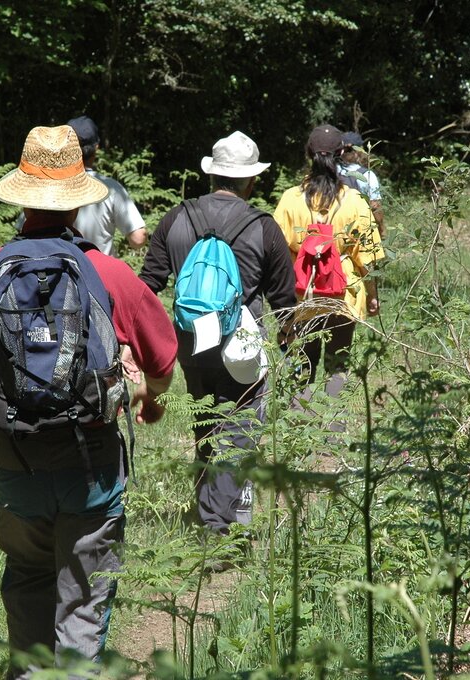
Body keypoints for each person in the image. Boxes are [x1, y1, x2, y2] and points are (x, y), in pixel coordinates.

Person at [0, 125, 177, 676]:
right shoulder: (108, 273)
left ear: (21, 198)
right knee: (84, 601)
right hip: (91, 467)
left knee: (28, 582)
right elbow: (163, 360)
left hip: (15, 465)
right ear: (78, 204)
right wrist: (149, 398)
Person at [139, 130, 296, 535]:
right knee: (240, 429)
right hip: (241, 345)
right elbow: (285, 301)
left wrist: (145, 346)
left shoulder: (177, 218)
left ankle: (208, 506)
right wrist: (289, 346)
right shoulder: (263, 227)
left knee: (205, 419)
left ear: (211, 175)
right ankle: (217, 525)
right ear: (252, 180)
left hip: (190, 342)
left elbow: (147, 285)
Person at [274, 124, 385, 401]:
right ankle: (332, 437)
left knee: (303, 363)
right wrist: (372, 296)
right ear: (342, 153)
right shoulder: (355, 201)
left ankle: (299, 432)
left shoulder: (290, 199)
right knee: (338, 365)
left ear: (308, 153)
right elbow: (368, 257)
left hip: (302, 292)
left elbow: (275, 252)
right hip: (343, 292)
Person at [66, 115, 147, 256]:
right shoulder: (112, 188)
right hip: (99, 275)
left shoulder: (49, 185)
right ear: (96, 148)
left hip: (59, 273)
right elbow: (138, 238)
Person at [338, 131, 386, 238]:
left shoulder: (332, 171)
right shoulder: (367, 175)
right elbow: (375, 206)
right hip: (359, 231)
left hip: (335, 230)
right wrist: (382, 230)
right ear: (360, 150)